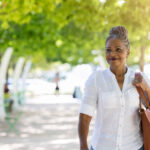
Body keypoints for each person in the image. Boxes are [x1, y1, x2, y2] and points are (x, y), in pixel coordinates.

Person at [78, 26, 150, 150]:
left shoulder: (140, 77)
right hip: (102, 146)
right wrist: (83, 146)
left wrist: (146, 87)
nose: (112, 54)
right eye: (108, 50)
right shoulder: (96, 79)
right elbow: (84, 116)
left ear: (128, 52)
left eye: (118, 49)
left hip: (134, 147)